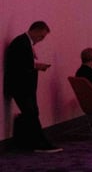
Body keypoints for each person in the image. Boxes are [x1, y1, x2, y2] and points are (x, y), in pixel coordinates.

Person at [3, 21, 61, 153]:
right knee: (31, 114)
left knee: (32, 113)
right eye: (41, 36)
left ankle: (30, 142)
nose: (41, 40)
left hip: (22, 86)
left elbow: (21, 63)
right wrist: (36, 67)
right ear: (34, 30)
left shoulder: (22, 42)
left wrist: (35, 66)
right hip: (21, 86)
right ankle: (40, 143)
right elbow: (20, 67)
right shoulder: (22, 43)